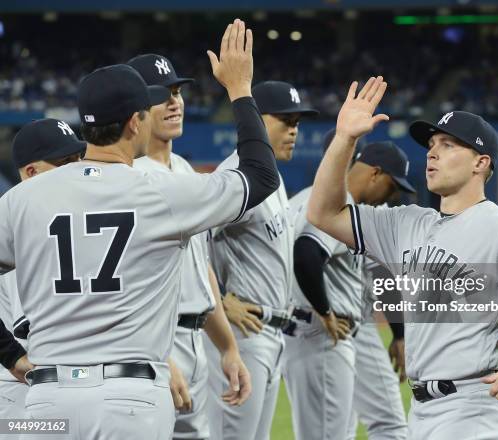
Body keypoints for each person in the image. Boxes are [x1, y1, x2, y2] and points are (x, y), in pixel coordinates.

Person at [0, 19, 277, 439]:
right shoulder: (161, 193)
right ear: (135, 122)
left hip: (48, 398)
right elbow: (260, 175)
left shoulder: (24, 198)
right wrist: (240, 90)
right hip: (129, 399)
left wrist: (12, 357)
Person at [307, 78, 498, 440]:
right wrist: (344, 140)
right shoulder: (406, 224)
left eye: (448, 145)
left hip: (476, 410)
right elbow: (323, 213)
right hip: (423, 412)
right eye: (432, 145)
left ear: (480, 163)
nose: (432, 153)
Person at [128, 52, 250, 440]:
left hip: (198, 341)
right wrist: (155, 358)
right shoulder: (130, 179)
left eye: (177, 92)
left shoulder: (183, 170)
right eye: (160, 95)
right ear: (134, 109)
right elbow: (121, 283)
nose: (174, 101)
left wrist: (228, 346)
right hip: (154, 345)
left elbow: (201, 271)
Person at [205, 80, 317, 440]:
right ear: (255, 119)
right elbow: (189, 241)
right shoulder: (237, 175)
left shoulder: (271, 176)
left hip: (272, 334)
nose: (294, 130)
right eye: (285, 120)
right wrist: (219, 300)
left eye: (298, 121)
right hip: (242, 335)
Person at [284, 140, 412, 440]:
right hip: (325, 332)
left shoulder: (304, 199)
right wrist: (325, 312)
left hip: (304, 327)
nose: (392, 196)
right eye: (392, 187)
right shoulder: (338, 205)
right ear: (375, 174)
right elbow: (306, 252)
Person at [0, 118, 86, 419]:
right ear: (31, 173)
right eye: (65, 162)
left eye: (79, 159)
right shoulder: (14, 221)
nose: (77, 169)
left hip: (56, 382)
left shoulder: (72, 218)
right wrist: (11, 357)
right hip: (20, 387)